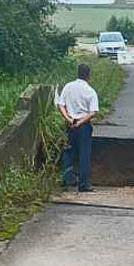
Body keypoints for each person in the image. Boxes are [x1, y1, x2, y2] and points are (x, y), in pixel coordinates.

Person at [56, 63, 99, 192]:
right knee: (84, 154)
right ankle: (83, 184)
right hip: (83, 125)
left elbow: (60, 105)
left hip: (69, 123)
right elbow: (93, 112)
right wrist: (80, 122)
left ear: (78, 73)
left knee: (68, 152)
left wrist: (68, 119)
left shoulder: (68, 87)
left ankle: (66, 180)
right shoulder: (90, 91)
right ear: (88, 75)